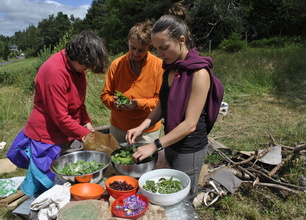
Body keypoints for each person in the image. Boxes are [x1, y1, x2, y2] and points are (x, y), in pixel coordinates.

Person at [126, 3, 223, 202]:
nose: (159, 54)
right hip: (171, 140)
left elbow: (190, 124)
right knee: (170, 190)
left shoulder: (199, 74)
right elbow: (162, 106)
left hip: (190, 147)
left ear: (181, 40)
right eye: (156, 48)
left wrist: (155, 145)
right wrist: (142, 126)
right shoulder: (170, 69)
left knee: (183, 195)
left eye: (164, 47)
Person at [6, 30, 109, 196]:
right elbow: (61, 118)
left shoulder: (78, 68)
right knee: (47, 183)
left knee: (62, 178)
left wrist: (87, 123)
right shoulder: (54, 71)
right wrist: (88, 136)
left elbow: (79, 103)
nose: (87, 69)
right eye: (86, 65)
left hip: (67, 131)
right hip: (47, 135)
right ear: (77, 56)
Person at [100, 20, 163, 144]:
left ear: (149, 47)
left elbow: (160, 102)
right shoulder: (117, 64)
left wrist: (138, 104)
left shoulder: (159, 66)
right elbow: (105, 95)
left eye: (141, 50)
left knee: (144, 162)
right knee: (118, 160)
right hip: (119, 128)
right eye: (132, 48)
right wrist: (115, 103)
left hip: (147, 130)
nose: (135, 53)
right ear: (128, 42)